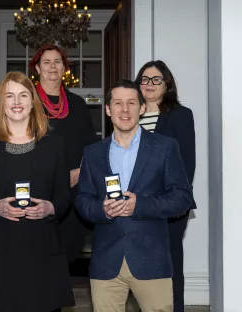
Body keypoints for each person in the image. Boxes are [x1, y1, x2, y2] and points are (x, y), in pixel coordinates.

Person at [76, 79, 195, 312]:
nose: (125, 110)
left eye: (131, 103)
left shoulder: (165, 147)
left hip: (151, 260)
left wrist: (140, 205)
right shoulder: (93, 153)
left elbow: (182, 197)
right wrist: (102, 209)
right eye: (118, 103)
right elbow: (83, 200)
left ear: (141, 108)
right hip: (106, 263)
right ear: (108, 110)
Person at [0, 71, 75, 312]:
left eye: (23, 95)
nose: (17, 102)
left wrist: (50, 207)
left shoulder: (54, 145)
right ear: (1, 103)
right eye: (10, 96)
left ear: (33, 101)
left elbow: (64, 198)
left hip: (42, 253)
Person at [135, 60, 196, 312]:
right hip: (136, 204)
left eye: (156, 79)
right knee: (141, 267)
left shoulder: (181, 115)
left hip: (169, 206)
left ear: (166, 84)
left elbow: (187, 162)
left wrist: (178, 200)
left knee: (169, 266)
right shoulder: (130, 114)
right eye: (145, 79)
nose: (150, 84)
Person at [29, 44, 98, 263]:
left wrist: (81, 170)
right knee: (38, 253)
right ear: (37, 69)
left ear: (64, 68)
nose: (52, 66)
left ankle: (60, 297)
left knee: (68, 250)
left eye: (57, 62)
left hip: (73, 189)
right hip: (38, 188)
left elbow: (92, 145)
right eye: (46, 62)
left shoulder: (77, 103)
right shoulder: (27, 102)